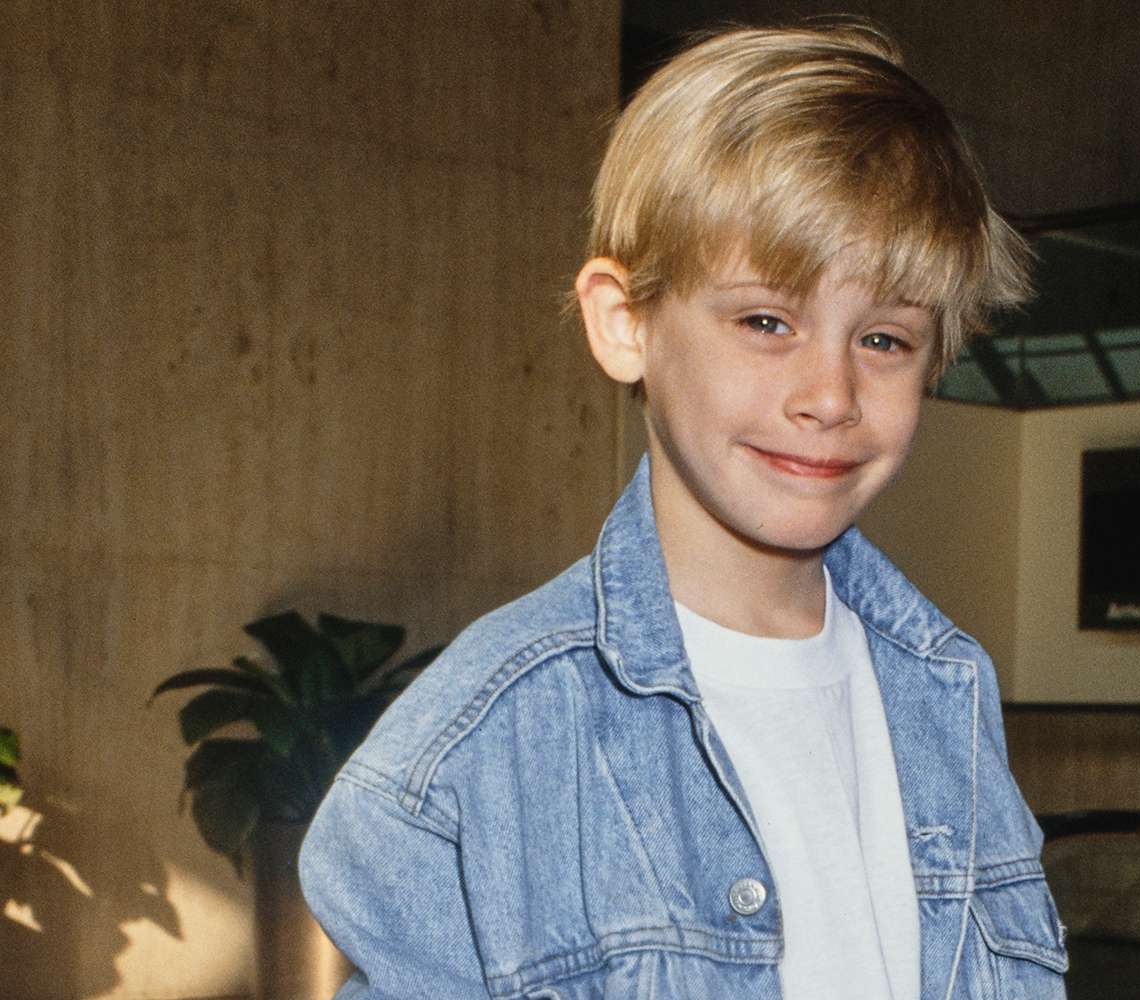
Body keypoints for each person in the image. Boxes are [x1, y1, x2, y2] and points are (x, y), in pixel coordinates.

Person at [299, 21, 1067, 1000]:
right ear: (625, 322)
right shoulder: (484, 738)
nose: (830, 394)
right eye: (766, 321)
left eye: (884, 339)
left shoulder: (945, 690)